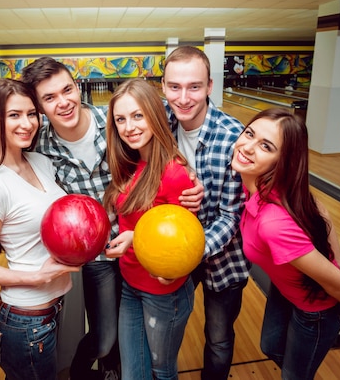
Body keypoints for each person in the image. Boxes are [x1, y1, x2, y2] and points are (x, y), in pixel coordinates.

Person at [21, 58, 203, 380]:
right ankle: (91, 370)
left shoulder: (114, 121)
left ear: (78, 86)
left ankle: (113, 371)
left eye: (67, 89)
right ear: (39, 106)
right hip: (99, 255)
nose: (63, 102)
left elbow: (163, 130)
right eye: (49, 98)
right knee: (106, 337)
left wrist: (188, 177)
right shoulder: (40, 144)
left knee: (150, 356)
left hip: (142, 251)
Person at [231, 108, 340, 380]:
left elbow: (338, 284)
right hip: (286, 290)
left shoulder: (274, 224)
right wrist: (339, 263)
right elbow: (321, 211)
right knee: (270, 346)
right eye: (249, 134)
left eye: (266, 146)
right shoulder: (261, 185)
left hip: (315, 312)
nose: (247, 147)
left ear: (282, 161)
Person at [0, 78, 78, 380]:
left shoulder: (41, 162)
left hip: (52, 309)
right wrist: (36, 277)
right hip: (23, 322)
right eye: (14, 115)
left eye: (31, 113)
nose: (27, 123)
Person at [161, 46, 250, 380]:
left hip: (222, 259)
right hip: (174, 244)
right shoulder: (161, 124)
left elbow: (231, 217)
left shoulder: (233, 139)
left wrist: (187, 254)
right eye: (174, 87)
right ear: (163, 85)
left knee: (218, 337)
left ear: (210, 86)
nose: (183, 98)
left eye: (194, 87)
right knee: (169, 325)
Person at [103, 79, 196, 380]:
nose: (129, 127)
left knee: (162, 371)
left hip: (163, 292)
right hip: (130, 283)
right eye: (121, 119)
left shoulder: (173, 173)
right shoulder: (129, 163)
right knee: (133, 374)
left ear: (155, 115)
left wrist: (136, 237)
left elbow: (182, 243)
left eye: (138, 115)